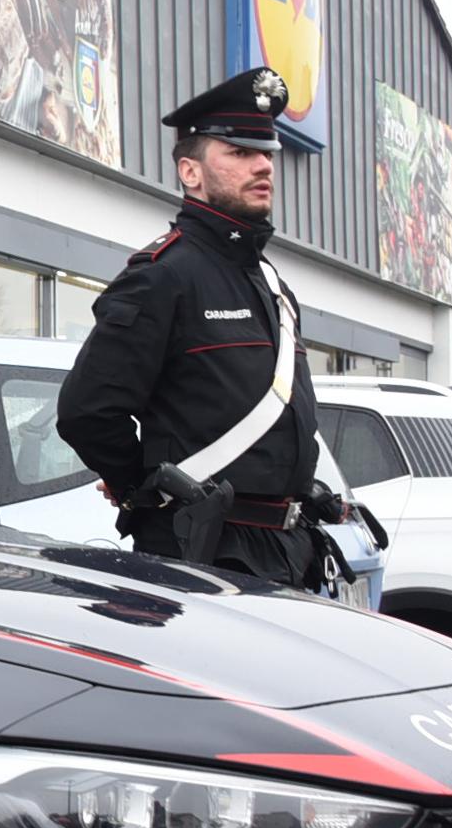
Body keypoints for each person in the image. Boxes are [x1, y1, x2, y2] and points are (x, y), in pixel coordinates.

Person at [56, 66, 344, 587]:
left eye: (267, 154)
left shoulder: (273, 284)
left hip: (288, 553)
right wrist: (146, 487)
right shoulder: (164, 277)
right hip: (204, 556)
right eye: (239, 153)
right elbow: (87, 411)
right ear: (191, 172)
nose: (263, 166)